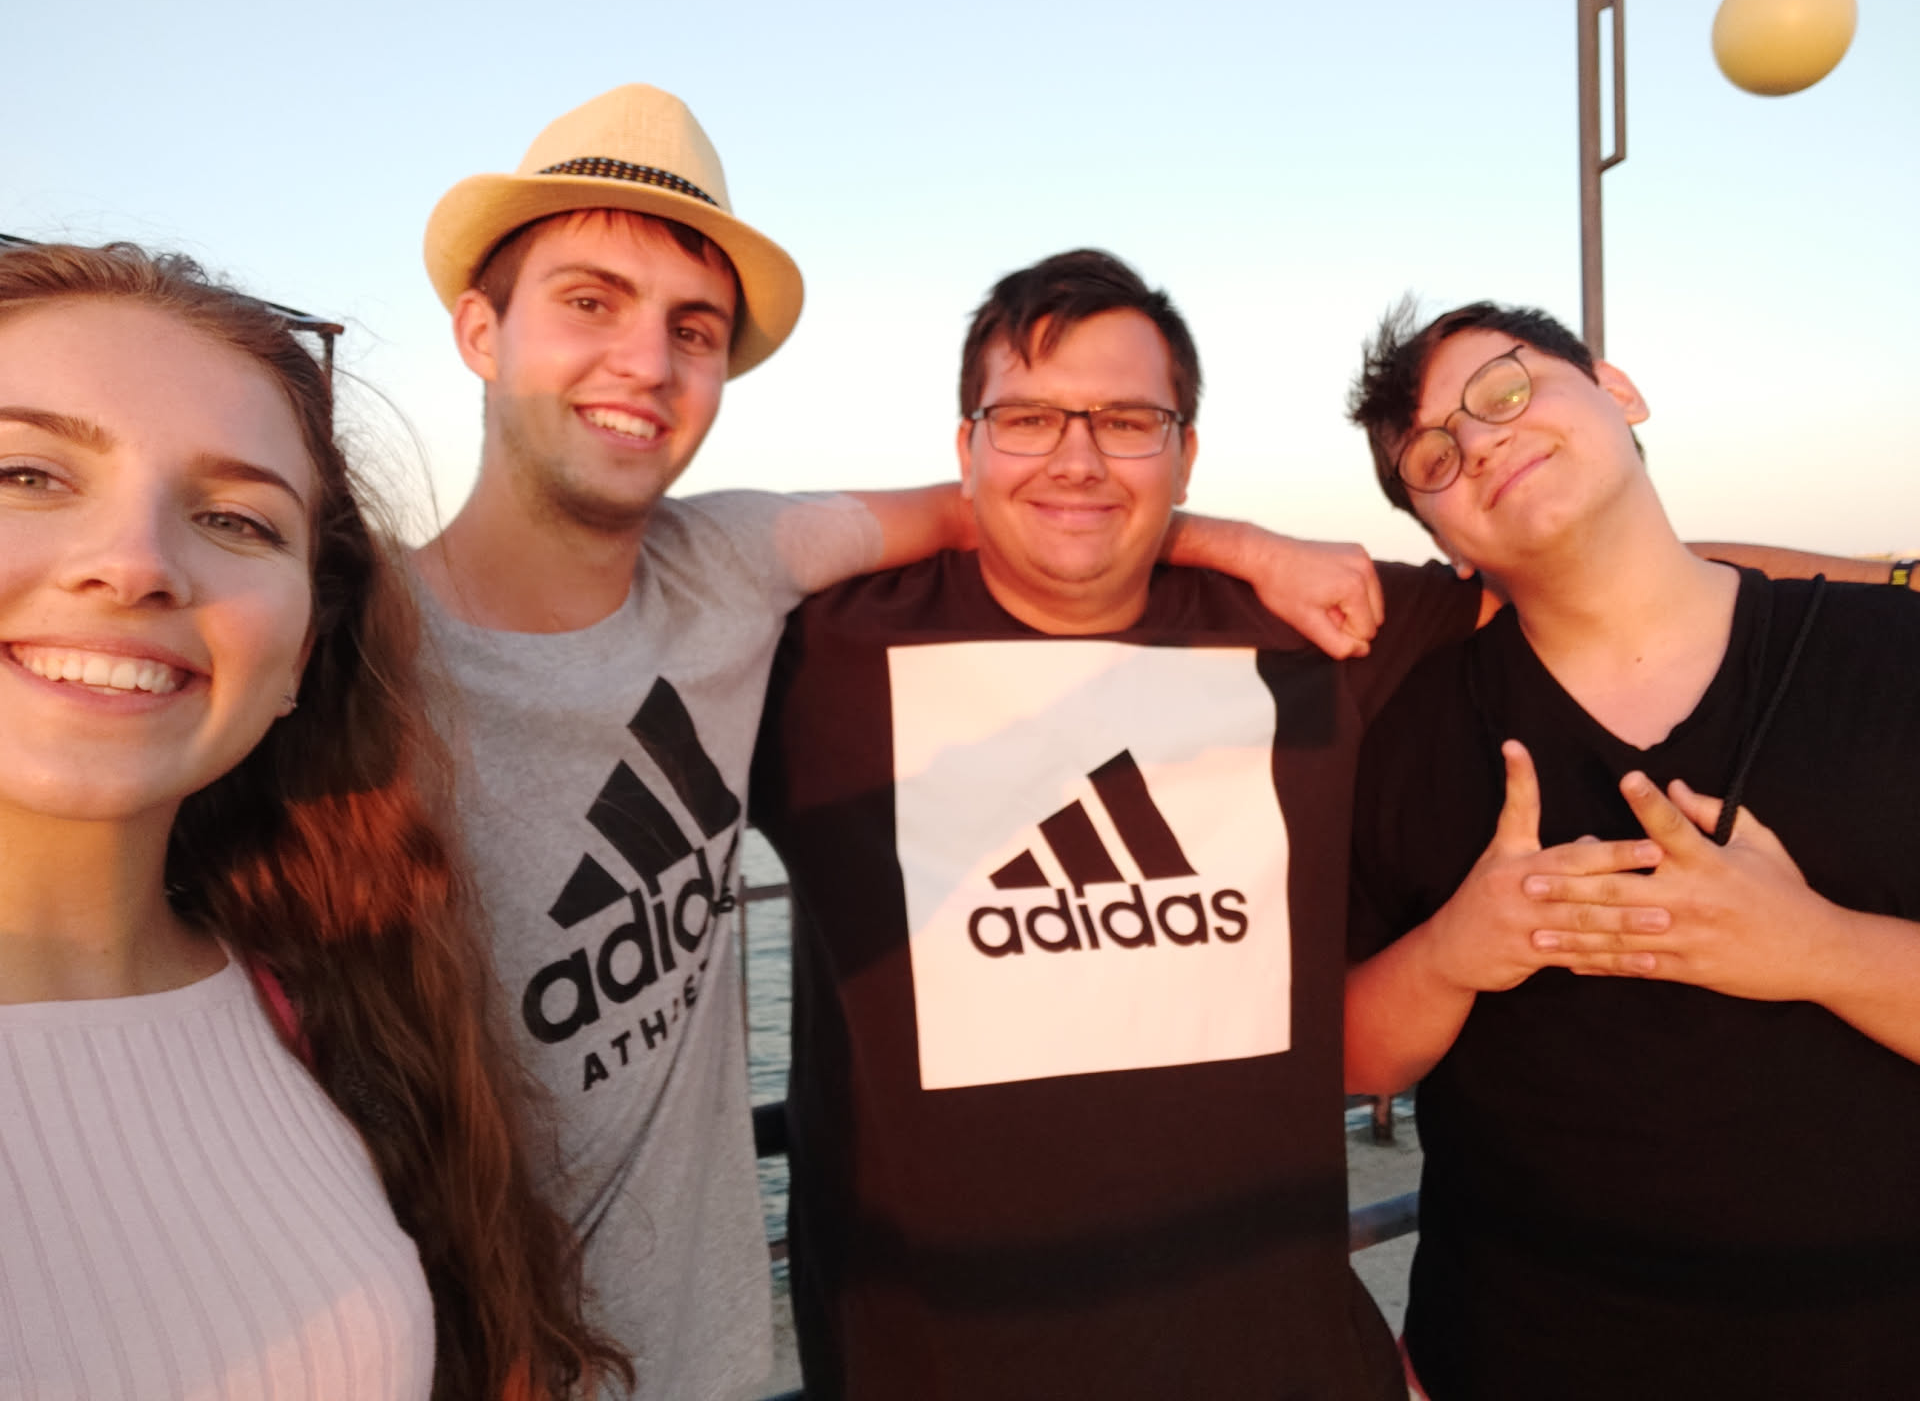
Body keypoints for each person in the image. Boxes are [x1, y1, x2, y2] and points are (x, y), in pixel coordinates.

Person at [410, 85, 1391, 1398]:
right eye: (589, 302)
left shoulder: (735, 566)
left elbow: (1014, 501)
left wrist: (1245, 545)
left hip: (702, 1361)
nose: (644, 362)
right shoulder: (342, 670)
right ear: (480, 330)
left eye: (691, 329)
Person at [748, 249, 1488, 1399]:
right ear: (966, 447)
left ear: (1186, 453)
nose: (1078, 456)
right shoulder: (811, 654)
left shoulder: (1316, 628)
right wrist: (1224, 534)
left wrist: (1847, 595)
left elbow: (1612, 589)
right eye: (1029, 419)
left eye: (1130, 422)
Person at [0, 242, 619, 1399]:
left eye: (237, 520)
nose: (133, 566)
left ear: (299, 654)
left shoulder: (324, 1011)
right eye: (27, 474)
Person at [1344, 301, 1920, 1399]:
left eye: (1506, 389)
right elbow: (1352, 1060)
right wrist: (1454, 953)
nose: (1480, 441)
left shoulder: (1893, 656)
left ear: (1618, 391)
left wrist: (1822, 949)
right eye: (1432, 456)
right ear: (1441, 540)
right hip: (1512, 1358)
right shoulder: (1405, 732)